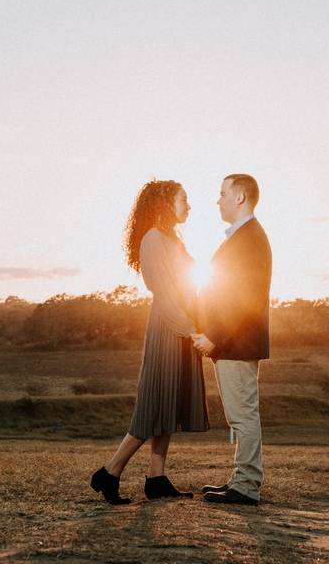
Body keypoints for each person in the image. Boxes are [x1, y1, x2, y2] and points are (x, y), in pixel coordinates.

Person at [90, 180, 209, 505]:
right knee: (154, 405)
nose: (189, 206)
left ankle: (156, 478)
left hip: (181, 326)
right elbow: (166, 293)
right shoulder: (154, 239)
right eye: (184, 199)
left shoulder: (170, 238)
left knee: (168, 404)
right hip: (169, 327)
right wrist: (191, 329)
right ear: (165, 203)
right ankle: (109, 472)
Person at [193, 173, 272, 506]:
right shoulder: (243, 237)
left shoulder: (250, 238)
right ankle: (241, 480)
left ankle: (247, 486)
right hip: (232, 344)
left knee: (243, 415)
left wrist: (214, 336)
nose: (218, 199)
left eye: (223, 193)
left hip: (236, 344)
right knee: (240, 414)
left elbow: (245, 299)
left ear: (240, 197)